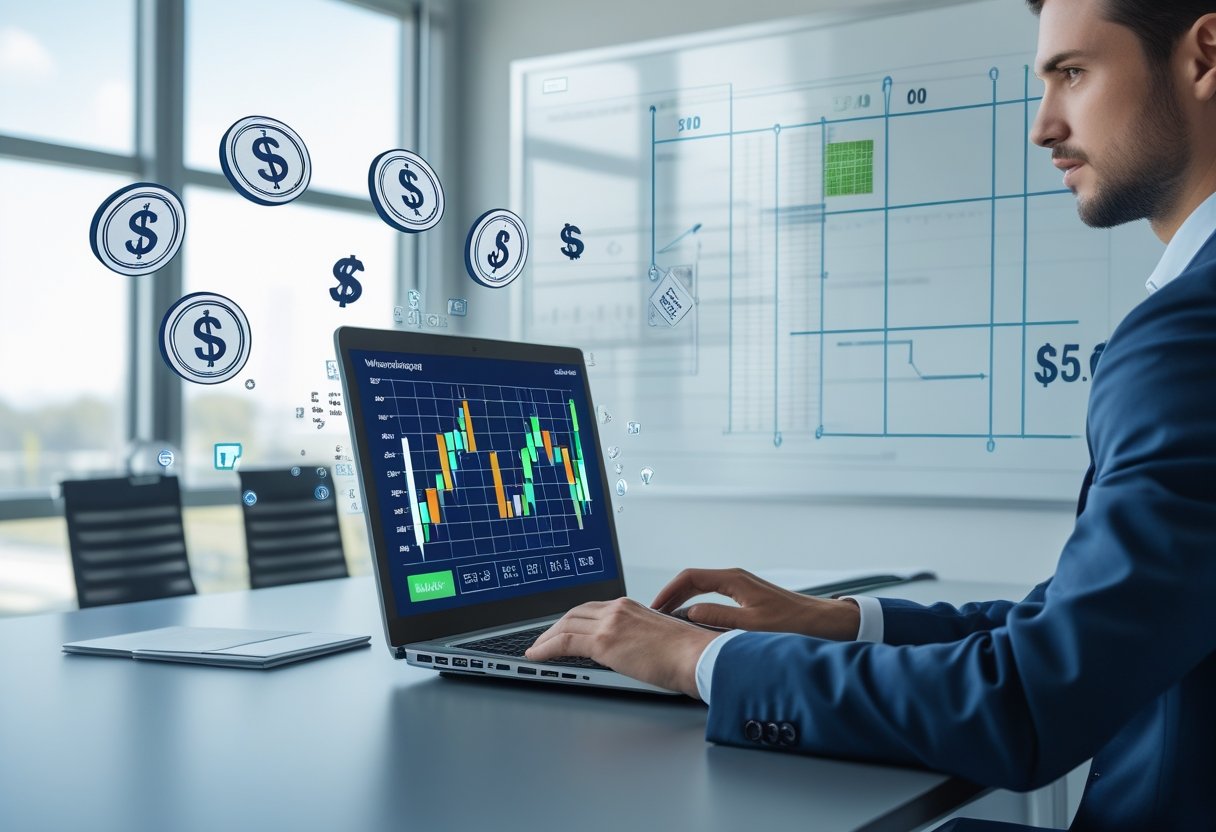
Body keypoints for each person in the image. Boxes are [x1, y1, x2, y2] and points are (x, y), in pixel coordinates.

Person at [526, 1, 1216, 828]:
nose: (1043, 126)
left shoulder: (1189, 338)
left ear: (1204, 55)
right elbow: (1090, 626)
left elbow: (1026, 704)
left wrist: (702, 659)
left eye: (1072, 73)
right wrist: (846, 622)